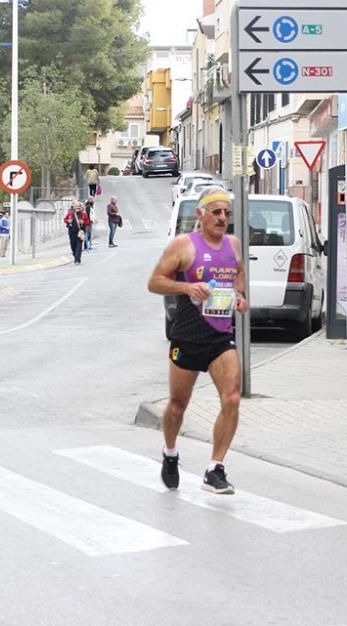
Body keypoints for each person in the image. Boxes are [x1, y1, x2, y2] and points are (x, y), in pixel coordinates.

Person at [147, 186, 248, 495]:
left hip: (220, 336)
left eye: (227, 213)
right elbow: (154, 283)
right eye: (216, 212)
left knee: (232, 397)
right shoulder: (183, 245)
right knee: (178, 406)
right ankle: (170, 452)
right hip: (188, 336)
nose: (222, 218)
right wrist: (188, 289)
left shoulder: (233, 244)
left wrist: (240, 297)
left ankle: (214, 468)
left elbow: (238, 273)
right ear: (201, 214)